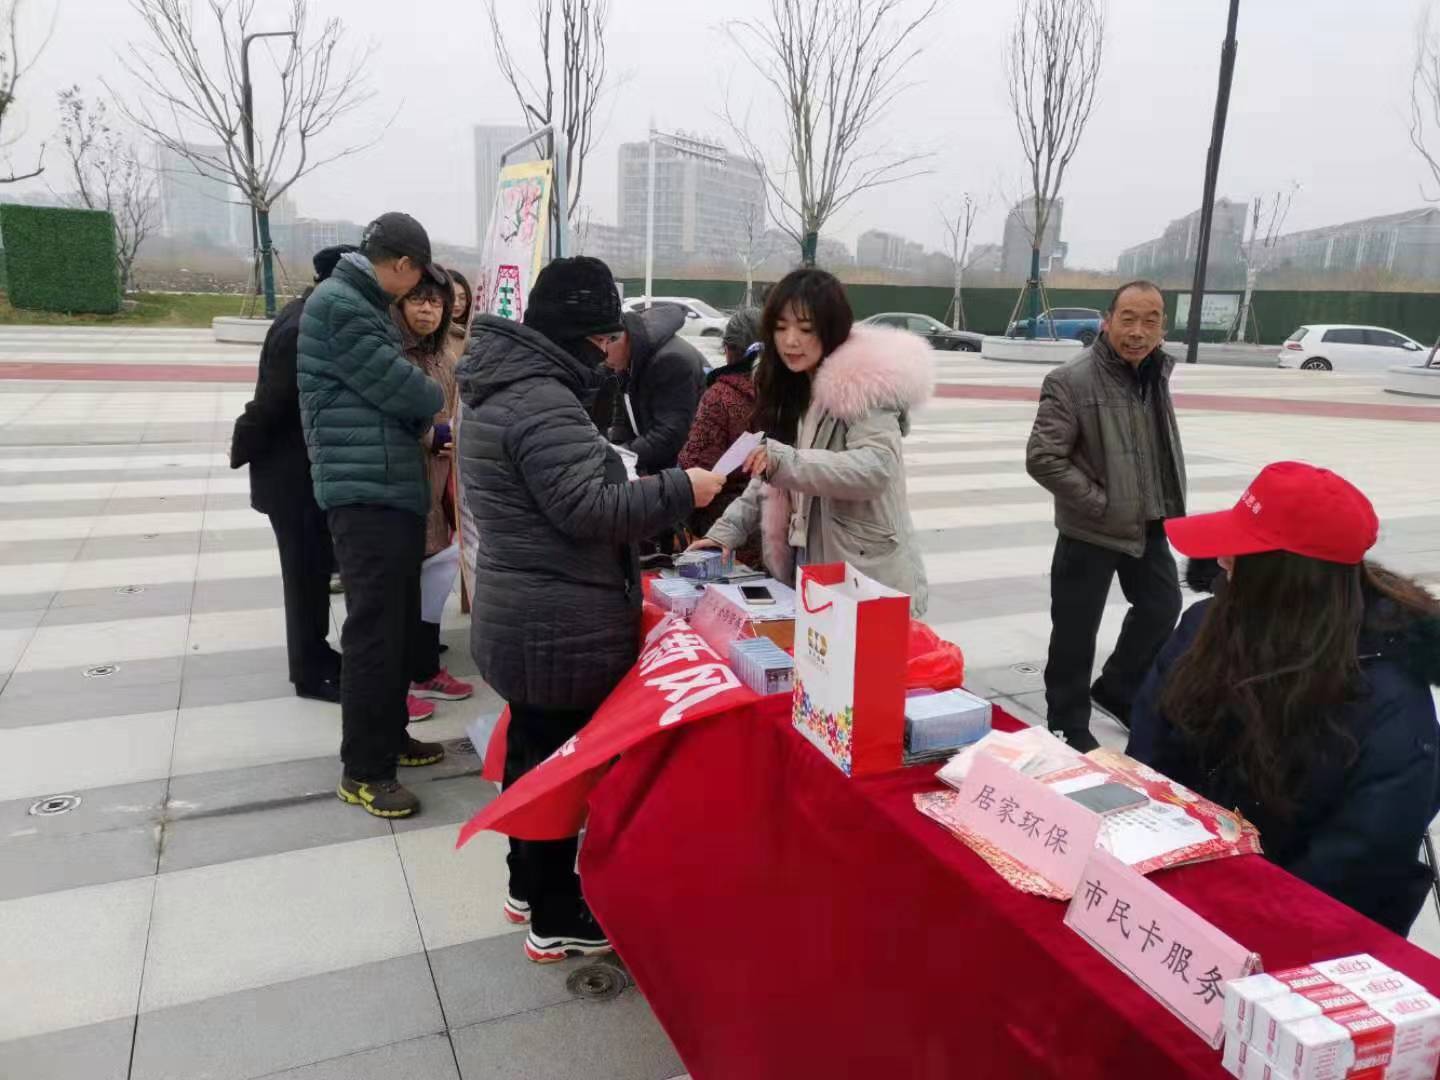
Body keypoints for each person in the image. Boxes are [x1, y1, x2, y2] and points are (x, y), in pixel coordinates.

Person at [456, 255, 724, 963]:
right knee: (560, 771)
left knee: (533, 755)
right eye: (605, 339)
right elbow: (590, 509)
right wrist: (682, 489)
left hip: (523, 607)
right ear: (581, 335)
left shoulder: (500, 381)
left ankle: (525, 885)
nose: (609, 354)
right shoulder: (540, 397)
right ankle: (556, 914)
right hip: (555, 621)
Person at [1127, 462, 1440, 934]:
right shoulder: (1203, 626)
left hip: (1301, 928)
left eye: (1241, 550)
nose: (1222, 560)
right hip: (1178, 884)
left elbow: (1356, 864)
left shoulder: (1389, 700)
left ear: (1290, 579)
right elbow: (1148, 757)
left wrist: (1229, 915)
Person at [298, 212, 449, 820]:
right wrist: (429, 397)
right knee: (373, 636)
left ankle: (390, 737)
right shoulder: (343, 307)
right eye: (417, 280)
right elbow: (413, 391)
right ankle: (364, 770)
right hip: (365, 493)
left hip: (385, 485)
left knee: (395, 627)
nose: (418, 293)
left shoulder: (358, 303)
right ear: (403, 265)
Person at [691, 268, 933, 614]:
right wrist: (724, 533)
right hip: (812, 566)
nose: (791, 340)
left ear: (831, 328)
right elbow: (769, 474)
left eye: (805, 329)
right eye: (781, 327)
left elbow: (876, 467)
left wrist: (783, 461)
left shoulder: (863, 383)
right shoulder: (792, 385)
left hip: (867, 576)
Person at [1025, 279, 1186, 753]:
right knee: (1076, 630)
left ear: (1162, 326)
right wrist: (1101, 503)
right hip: (1090, 528)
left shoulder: (1155, 371)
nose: (1138, 331)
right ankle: (1065, 720)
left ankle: (1118, 687)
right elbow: (1043, 458)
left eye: (1151, 320)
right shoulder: (1071, 380)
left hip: (1148, 522)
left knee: (1162, 606)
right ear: (1107, 321)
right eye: (1128, 319)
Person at [230, 244, 352, 703]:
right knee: (303, 577)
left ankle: (317, 654)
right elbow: (273, 403)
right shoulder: (303, 327)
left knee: (314, 571)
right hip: (290, 476)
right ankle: (309, 672)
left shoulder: (305, 314)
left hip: (298, 472)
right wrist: (244, 446)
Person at [392, 271, 474, 706]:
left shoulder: (444, 354)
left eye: (436, 302)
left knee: (434, 575)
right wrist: (431, 435)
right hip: (399, 487)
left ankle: (424, 670)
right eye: (418, 300)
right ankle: (397, 683)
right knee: (397, 591)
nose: (428, 309)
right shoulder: (390, 353)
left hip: (439, 483)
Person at [677, 307, 763, 567]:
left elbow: (695, 464)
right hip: (776, 522)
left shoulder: (721, 396)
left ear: (728, 350)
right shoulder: (785, 393)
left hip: (722, 529)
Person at [603, 301, 707, 476]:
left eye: (604, 344)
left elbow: (670, 434)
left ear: (622, 337)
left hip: (687, 469)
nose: (601, 354)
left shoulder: (671, 361)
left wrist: (623, 455)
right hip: (656, 461)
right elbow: (621, 417)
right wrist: (617, 448)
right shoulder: (628, 359)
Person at [446, 268, 474, 361]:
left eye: (462, 298)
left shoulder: (474, 332)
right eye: (452, 297)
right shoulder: (433, 335)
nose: (457, 304)